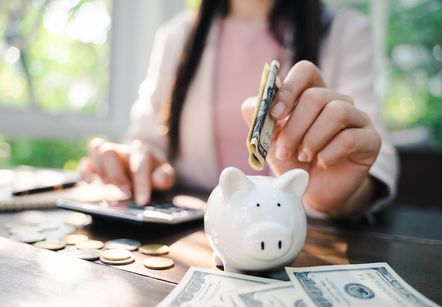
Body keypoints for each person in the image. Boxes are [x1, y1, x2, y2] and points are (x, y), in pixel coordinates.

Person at [80, 0, 398, 219]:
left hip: (301, 233)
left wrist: (338, 199)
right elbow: (147, 140)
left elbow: (371, 155)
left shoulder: (346, 31)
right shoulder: (177, 36)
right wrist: (136, 161)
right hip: (196, 235)